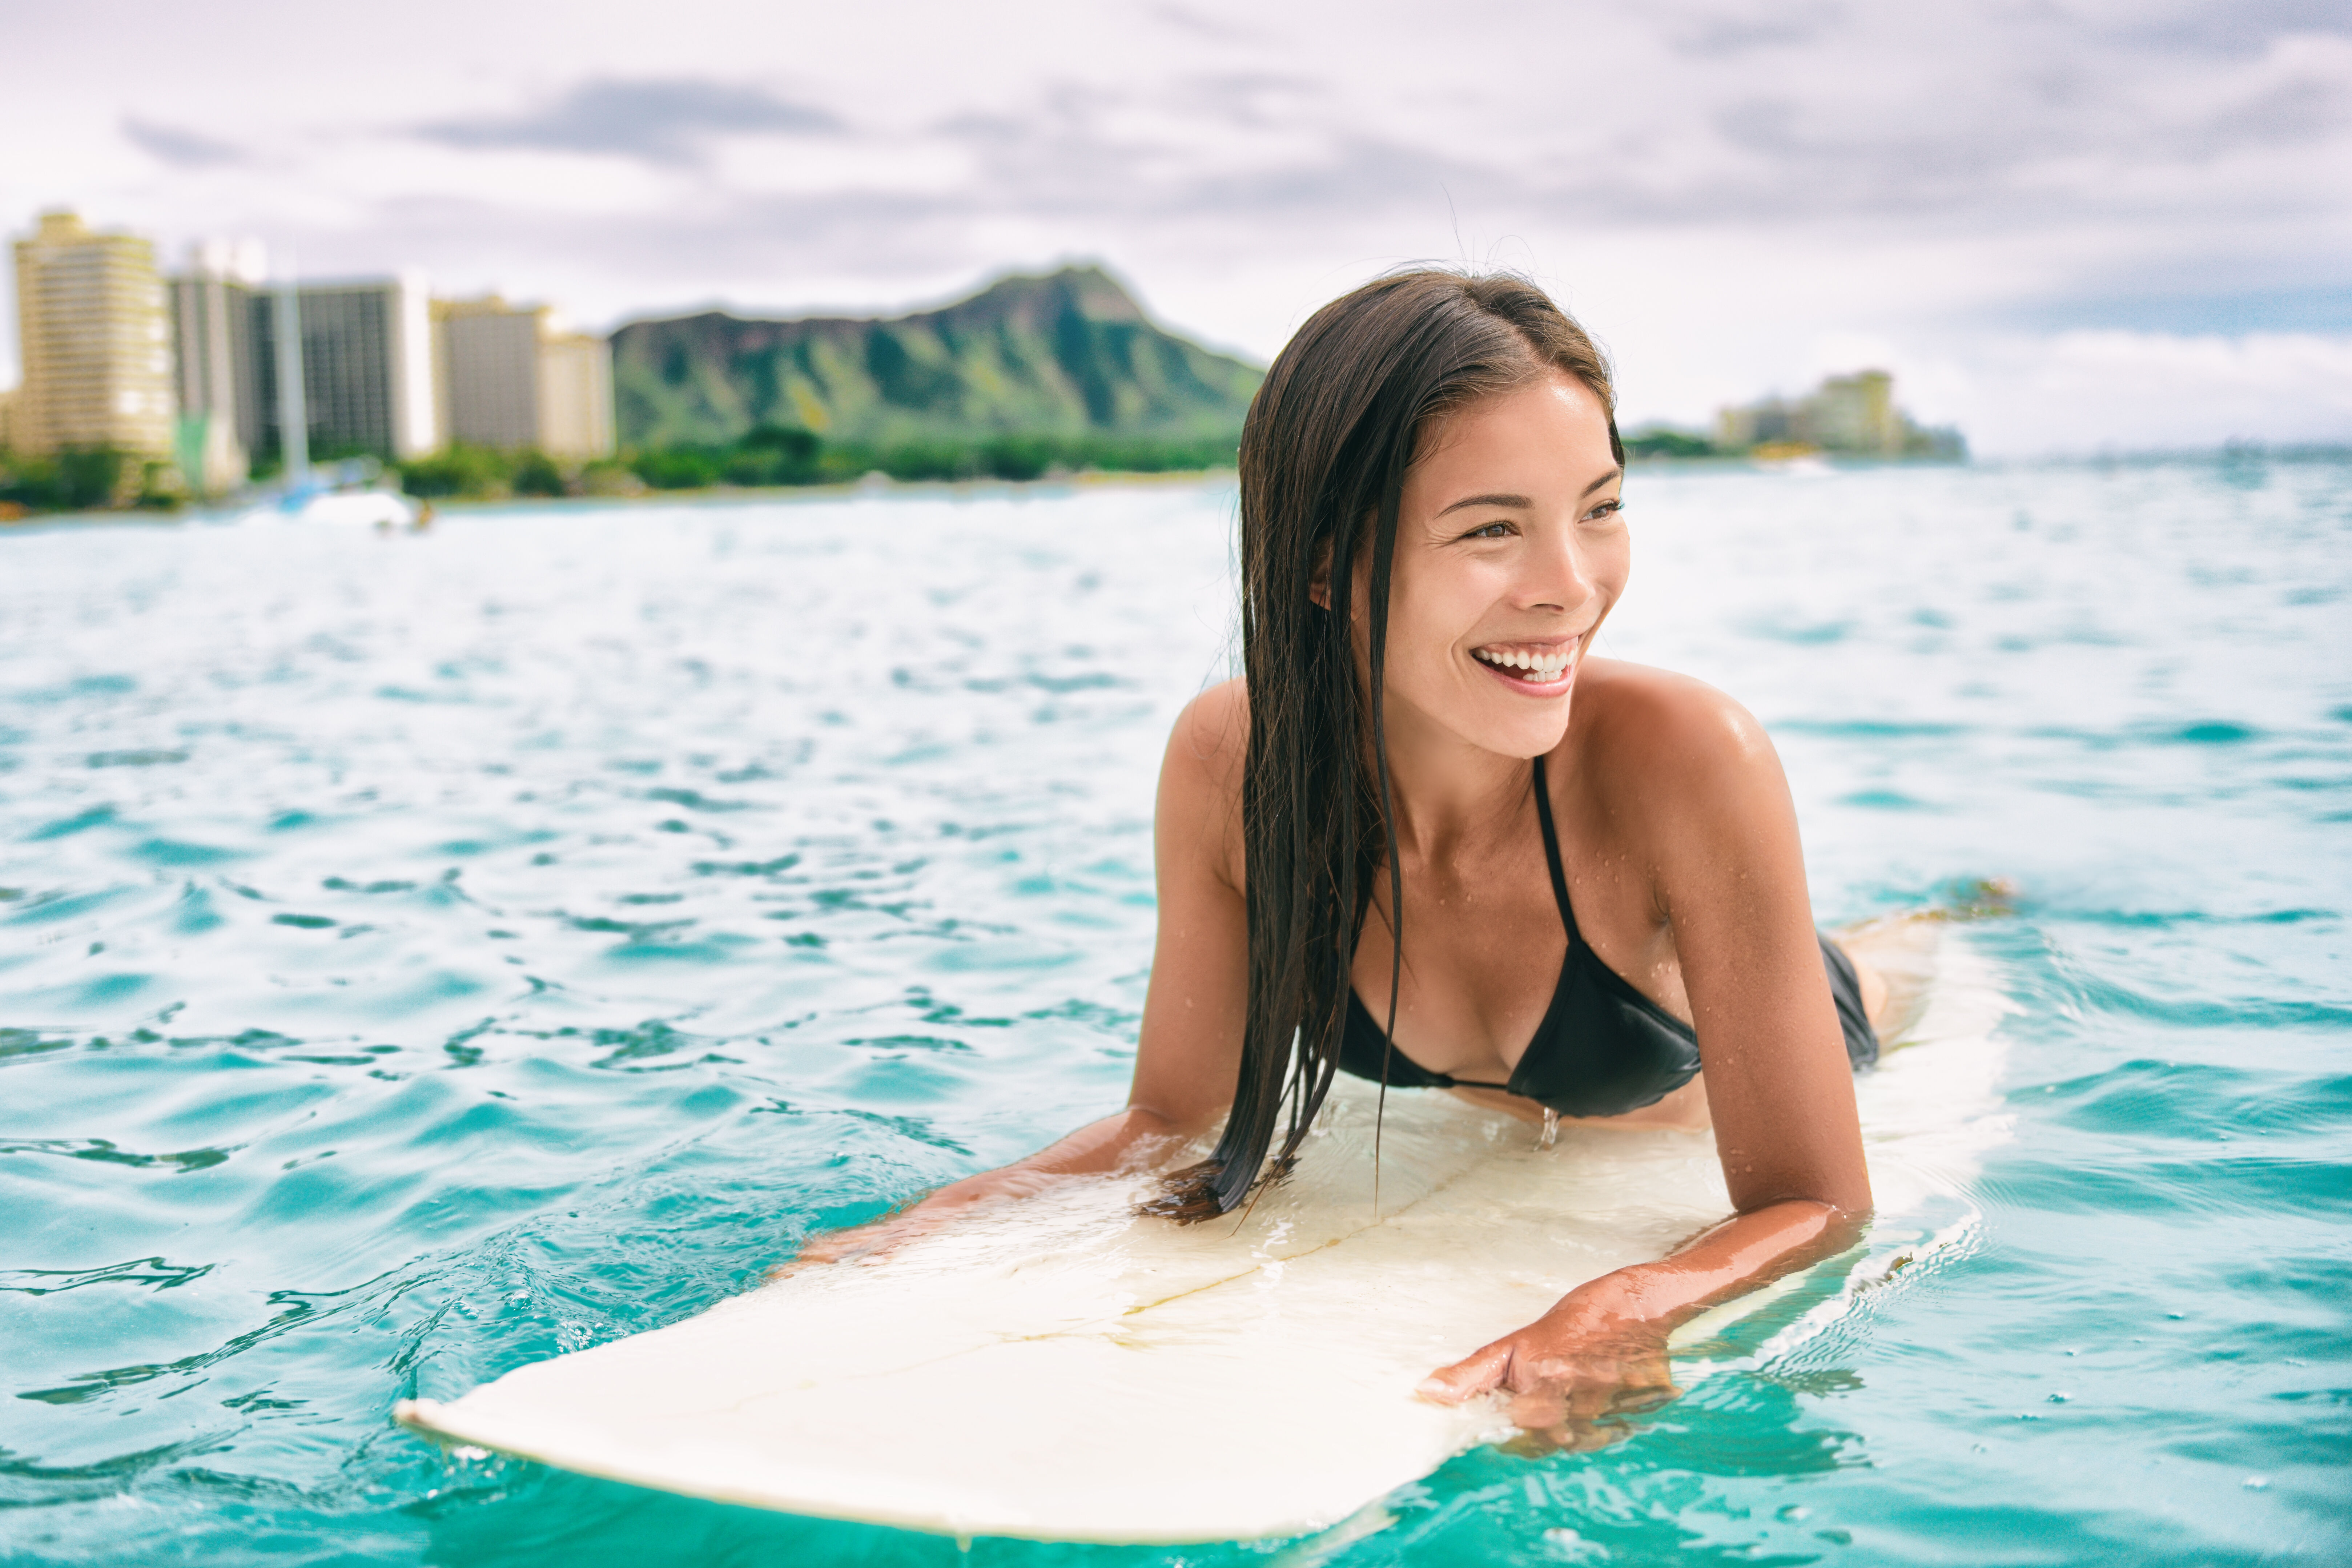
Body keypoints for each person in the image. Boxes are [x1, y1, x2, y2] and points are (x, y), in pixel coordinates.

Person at [793, 270, 1890, 1451]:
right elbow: (1172, 1117)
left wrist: (1628, 1299)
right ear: (1325, 565)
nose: (1571, 586)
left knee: (1906, 962)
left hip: (1798, 1012)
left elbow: (1818, 1201)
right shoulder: (1233, 764)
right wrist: (929, 1229)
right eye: (1491, 529)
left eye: (1601, 508)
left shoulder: (1688, 757)